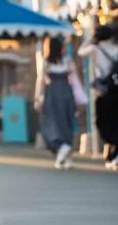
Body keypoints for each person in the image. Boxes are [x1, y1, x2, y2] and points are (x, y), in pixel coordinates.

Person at [78, 24, 118, 170]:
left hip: (105, 91)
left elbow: (80, 52)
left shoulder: (96, 49)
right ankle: (116, 154)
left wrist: (89, 38)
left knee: (103, 121)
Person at [34, 37, 77, 169]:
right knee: (66, 122)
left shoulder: (46, 62)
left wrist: (37, 97)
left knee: (51, 122)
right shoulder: (67, 61)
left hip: (52, 94)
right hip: (66, 93)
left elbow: (40, 80)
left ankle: (63, 151)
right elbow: (75, 78)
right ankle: (65, 157)